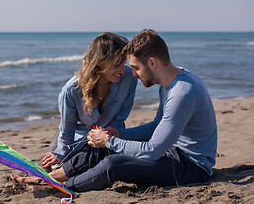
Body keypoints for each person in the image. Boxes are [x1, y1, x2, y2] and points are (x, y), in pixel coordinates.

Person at [13, 29, 217, 193]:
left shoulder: (182, 92)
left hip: (190, 166)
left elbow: (153, 151)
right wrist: (118, 134)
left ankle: (58, 184)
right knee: (107, 142)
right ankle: (50, 177)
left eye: (136, 67)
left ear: (152, 63)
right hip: (172, 151)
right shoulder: (170, 83)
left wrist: (111, 141)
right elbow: (156, 126)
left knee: (113, 163)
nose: (133, 75)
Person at [40, 32, 138, 171]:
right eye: (117, 64)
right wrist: (61, 153)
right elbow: (67, 128)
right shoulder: (72, 90)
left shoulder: (129, 79)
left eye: (123, 63)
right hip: (74, 135)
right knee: (47, 167)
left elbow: (120, 117)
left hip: (109, 135)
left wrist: (105, 137)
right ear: (99, 61)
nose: (122, 70)